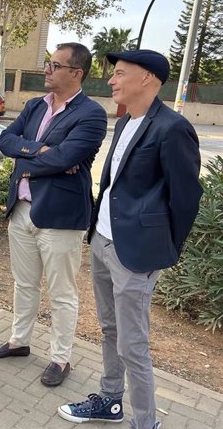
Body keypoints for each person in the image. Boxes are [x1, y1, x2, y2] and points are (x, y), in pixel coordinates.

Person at [58, 50, 202, 429]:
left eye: (120, 73)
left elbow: (186, 197)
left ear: (148, 79)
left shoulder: (172, 128)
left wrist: (163, 249)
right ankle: (109, 400)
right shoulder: (123, 124)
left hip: (136, 254)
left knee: (132, 345)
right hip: (104, 240)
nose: (111, 80)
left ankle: (145, 422)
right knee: (109, 329)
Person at [0, 42, 107, 387]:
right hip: (20, 209)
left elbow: (65, 158)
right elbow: (6, 140)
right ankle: (19, 341)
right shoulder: (36, 105)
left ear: (76, 73)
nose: (46, 70)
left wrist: (32, 162)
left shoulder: (91, 114)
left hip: (60, 216)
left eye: (54, 65)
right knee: (24, 283)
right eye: (48, 64)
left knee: (62, 291)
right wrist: (39, 151)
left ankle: (61, 358)